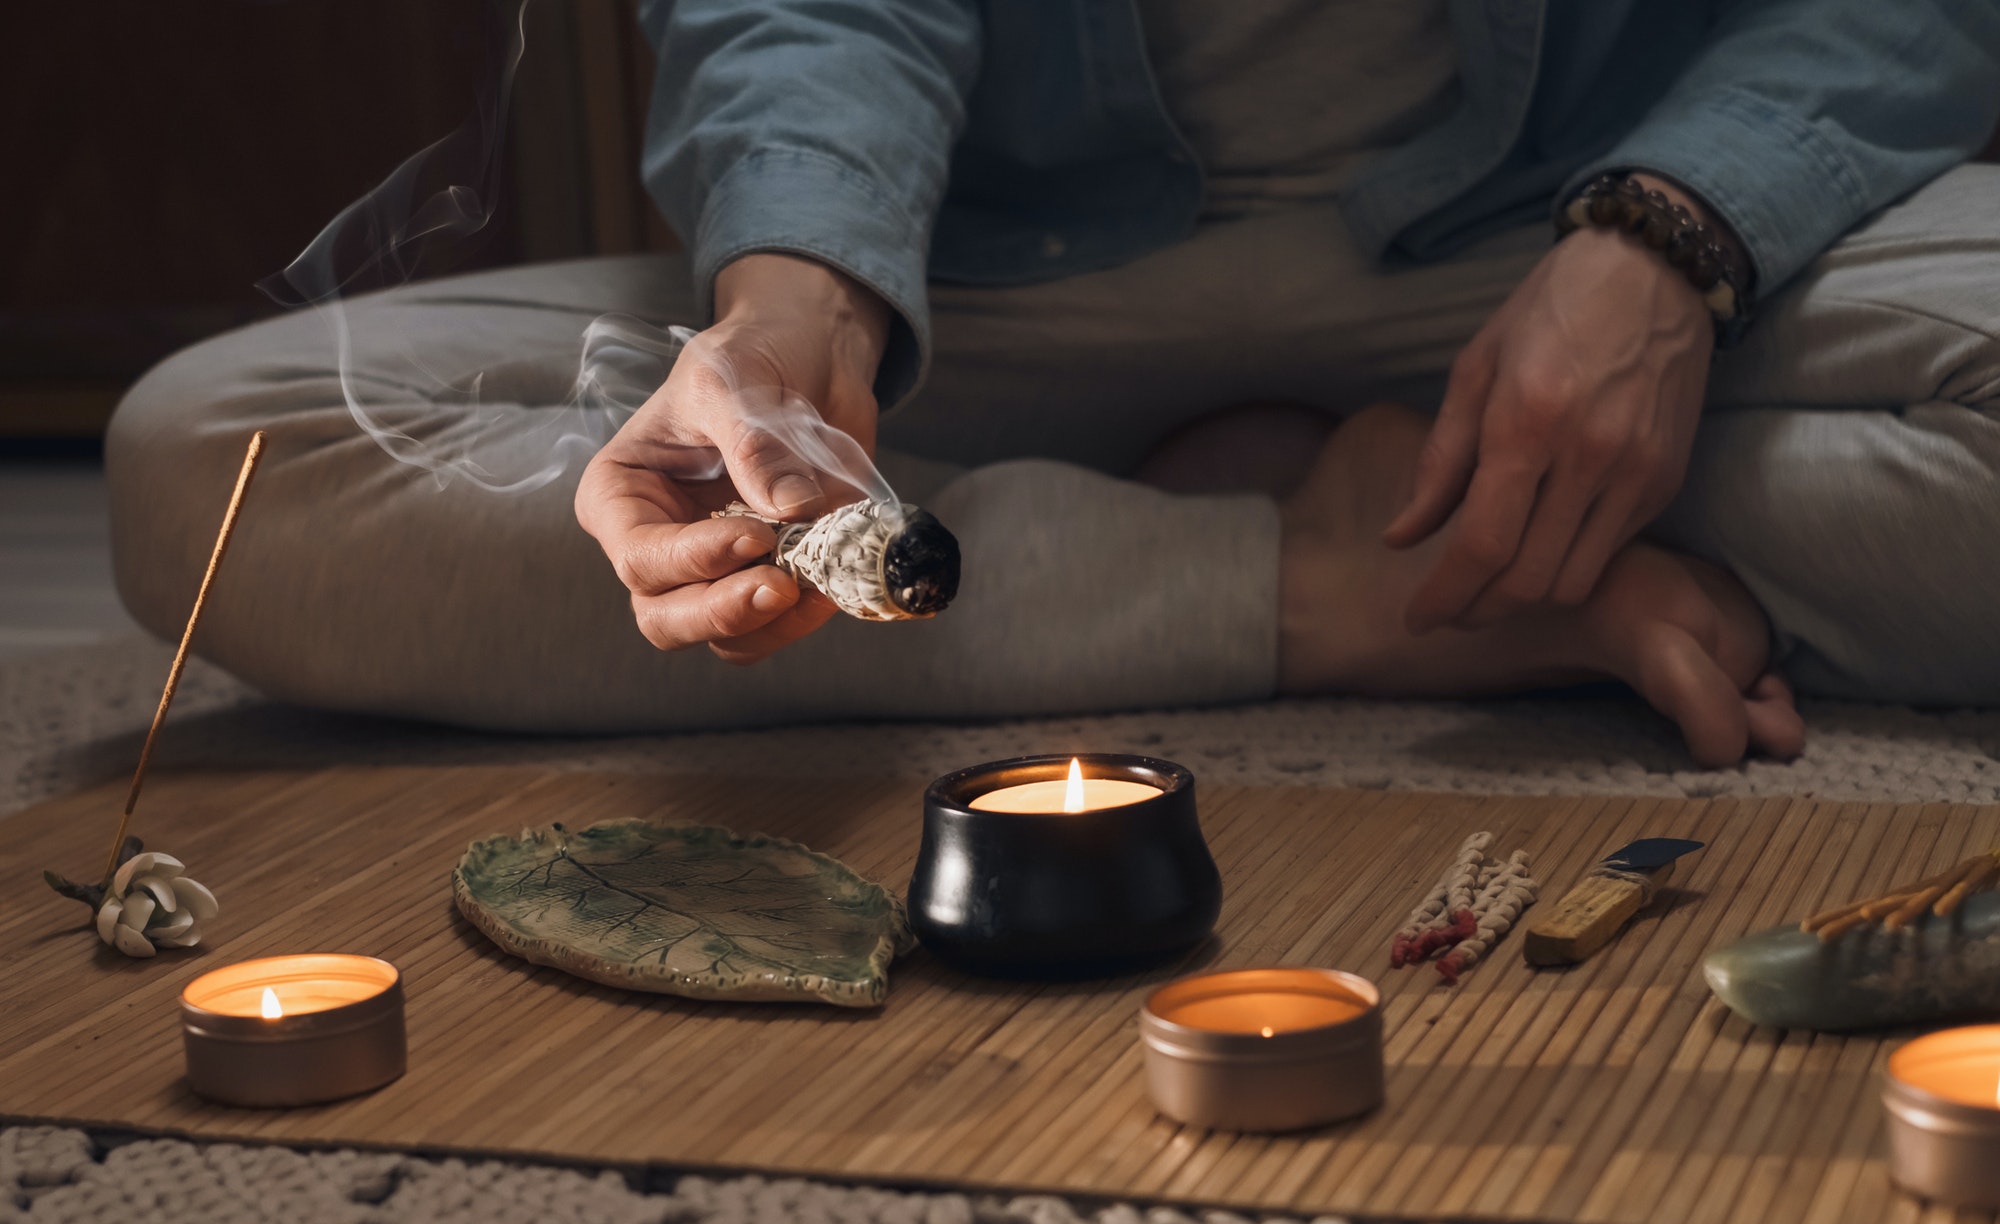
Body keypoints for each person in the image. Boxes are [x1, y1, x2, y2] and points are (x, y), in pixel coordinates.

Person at [108, 2, 2000, 767]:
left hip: (1563, 227)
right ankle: (1358, 583)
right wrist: (796, 304)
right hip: (989, 270)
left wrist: (1677, 239)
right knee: (219, 463)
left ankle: (1381, 512)